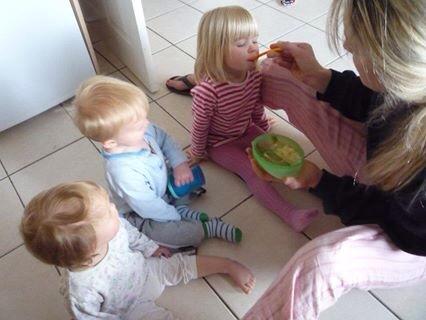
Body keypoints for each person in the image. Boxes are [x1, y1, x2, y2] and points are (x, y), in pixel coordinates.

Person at [243, 0, 426, 318]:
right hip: (393, 186)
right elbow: (377, 99)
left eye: (356, 45)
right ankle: (221, 85)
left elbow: (393, 218)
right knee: (285, 75)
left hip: (412, 240)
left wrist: (316, 181)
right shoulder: (408, 82)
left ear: (392, 60)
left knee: (320, 263)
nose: (345, 44)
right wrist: (321, 77)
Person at [20, 181, 255, 319]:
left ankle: (227, 265)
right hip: (129, 308)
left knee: (182, 264)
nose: (115, 208)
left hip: (145, 270)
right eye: (109, 211)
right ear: (92, 247)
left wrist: (152, 248)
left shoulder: (114, 228)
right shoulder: (80, 289)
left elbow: (132, 235)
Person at [187, 6, 319, 232]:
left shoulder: (255, 74)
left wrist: (263, 125)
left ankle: (318, 186)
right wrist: (198, 152)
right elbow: (200, 126)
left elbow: (255, 103)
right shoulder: (208, 91)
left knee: (279, 156)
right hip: (220, 144)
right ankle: (290, 215)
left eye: (255, 41)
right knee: (252, 172)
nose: (253, 48)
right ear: (216, 51)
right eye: (241, 44)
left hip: (247, 129)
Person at [73, 76, 242, 248]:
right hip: (143, 212)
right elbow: (148, 207)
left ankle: (181, 207)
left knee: (187, 174)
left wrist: (179, 165)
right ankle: (206, 228)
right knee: (174, 235)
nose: (147, 124)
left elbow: (164, 139)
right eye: (139, 126)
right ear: (111, 143)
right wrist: (173, 215)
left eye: (144, 117)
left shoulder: (141, 129)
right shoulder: (123, 172)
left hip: (161, 187)